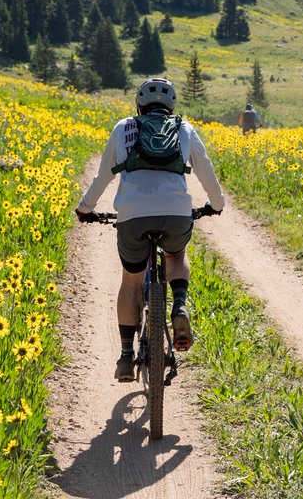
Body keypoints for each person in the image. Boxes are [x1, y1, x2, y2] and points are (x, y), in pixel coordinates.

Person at [75, 77, 225, 382]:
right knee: (175, 254)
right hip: (176, 213)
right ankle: (179, 305)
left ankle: (126, 357)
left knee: (131, 281)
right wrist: (216, 204)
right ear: (171, 107)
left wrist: (85, 209)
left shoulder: (123, 128)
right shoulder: (184, 129)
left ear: (138, 106)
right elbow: (207, 173)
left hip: (133, 216)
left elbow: (103, 175)